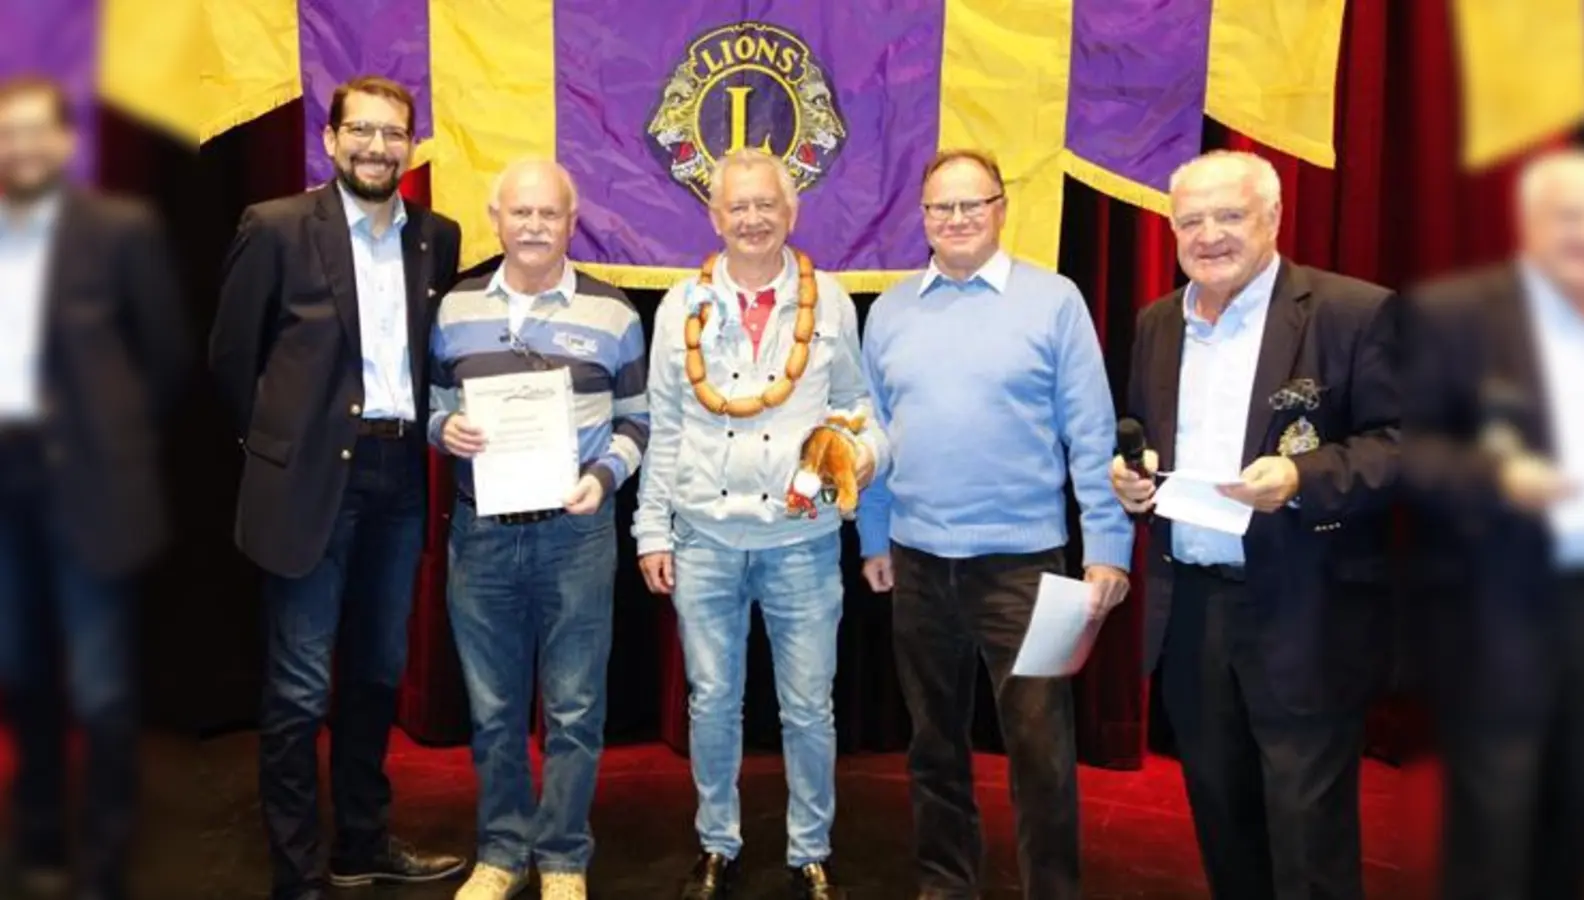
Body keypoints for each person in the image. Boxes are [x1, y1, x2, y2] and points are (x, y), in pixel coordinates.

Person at [1110, 150, 1398, 900]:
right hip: (1194, 609)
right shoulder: (1157, 322)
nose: (1208, 236)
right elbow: (1148, 439)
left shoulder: (1353, 312)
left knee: (1308, 830)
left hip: (1303, 607)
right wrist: (1132, 482)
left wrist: (1304, 477)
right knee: (1222, 817)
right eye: (1190, 220)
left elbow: (1406, 444)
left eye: (1229, 216)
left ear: (1273, 217)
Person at [209, 75, 466, 900]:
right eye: (361, 130)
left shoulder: (440, 236)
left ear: (411, 147)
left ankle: (362, 842)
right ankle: (297, 873)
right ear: (330, 139)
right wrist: (278, 449)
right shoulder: (277, 227)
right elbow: (228, 358)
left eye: (393, 134)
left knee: (377, 675)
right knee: (297, 686)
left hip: (398, 480)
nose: (377, 147)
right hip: (307, 484)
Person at [855, 148, 1132, 900]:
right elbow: (869, 431)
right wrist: (873, 536)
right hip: (916, 563)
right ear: (922, 219)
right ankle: (946, 885)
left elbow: (1092, 434)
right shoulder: (890, 310)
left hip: (1028, 569)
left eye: (970, 204)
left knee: (1042, 749)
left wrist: (1108, 547)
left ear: (1000, 208)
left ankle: (1053, 889)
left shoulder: (1055, 301)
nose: (955, 219)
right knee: (933, 744)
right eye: (940, 208)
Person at [633, 148, 887, 900]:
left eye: (765, 205)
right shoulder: (681, 305)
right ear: (714, 216)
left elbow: (857, 409)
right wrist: (651, 529)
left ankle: (811, 848)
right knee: (712, 700)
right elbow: (666, 423)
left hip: (802, 544)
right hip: (703, 538)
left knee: (809, 703)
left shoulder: (831, 301)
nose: (751, 219)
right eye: (736, 207)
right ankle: (718, 842)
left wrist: (856, 465)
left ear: (791, 211)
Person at [429, 158, 648, 900]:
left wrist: (604, 476)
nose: (533, 227)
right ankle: (499, 852)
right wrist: (443, 428)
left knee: (575, 710)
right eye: (520, 213)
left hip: (576, 534)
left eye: (548, 215)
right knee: (492, 710)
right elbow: (431, 401)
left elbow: (639, 420)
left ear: (569, 221)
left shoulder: (613, 313)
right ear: (496, 218)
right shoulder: (455, 308)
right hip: (481, 535)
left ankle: (561, 858)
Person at [0, 74, 188, 900]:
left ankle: (104, 865)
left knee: (105, 690)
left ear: (67, 145)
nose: (22, 147)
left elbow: (168, 357)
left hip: (93, 489)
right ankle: (41, 842)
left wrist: (109, 438)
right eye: (8, 134)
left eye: (36, 132)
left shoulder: (122, 231)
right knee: (20, 675)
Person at [1403, 148, 1584, 900]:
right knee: (1496, 817)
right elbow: (1407, 447)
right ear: (1529, 225)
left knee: (1580, 807)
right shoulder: (1458, 315)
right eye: (1568, 217)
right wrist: (1498, 478)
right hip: (1501, 605)